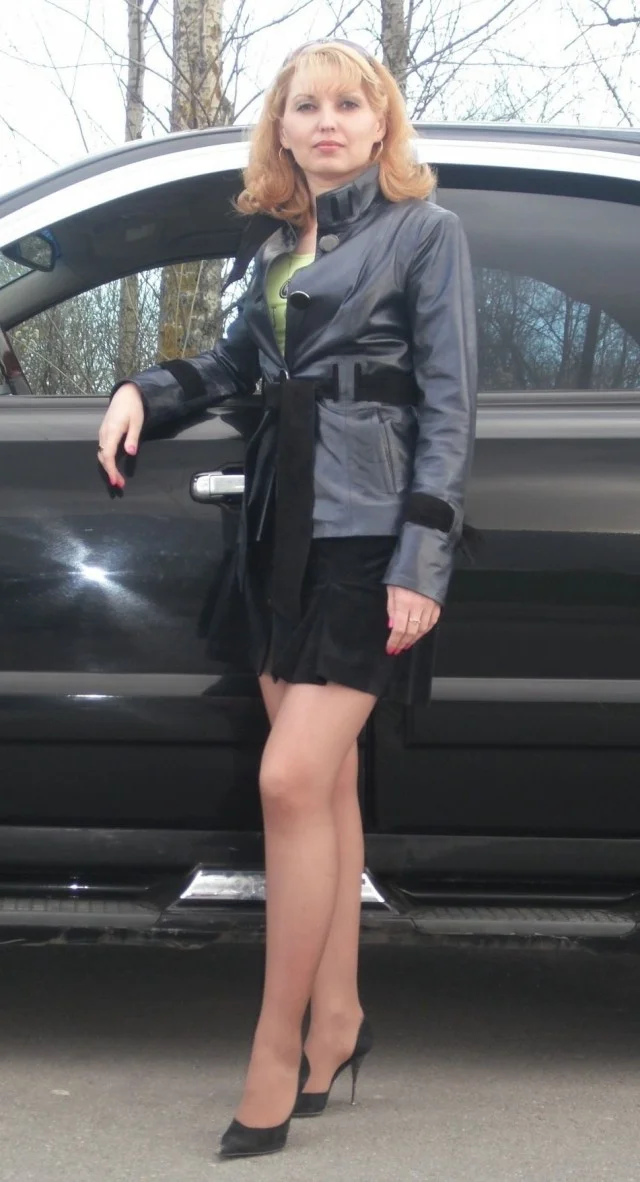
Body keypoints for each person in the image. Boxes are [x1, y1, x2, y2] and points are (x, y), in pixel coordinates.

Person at [97, 38, 477, 1160]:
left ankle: (274, 1050)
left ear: (381, 121)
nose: (327, 121)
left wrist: (421, 560)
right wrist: (141, 390)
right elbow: (229, 370)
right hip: (279, 530)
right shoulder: (269, 246)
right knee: (329, 788)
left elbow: (450, 407)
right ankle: (339, 1018)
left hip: (369, 536)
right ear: (282, 129)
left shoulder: (426, 233)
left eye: (348, 103)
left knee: (289, 779)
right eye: (305, 105)